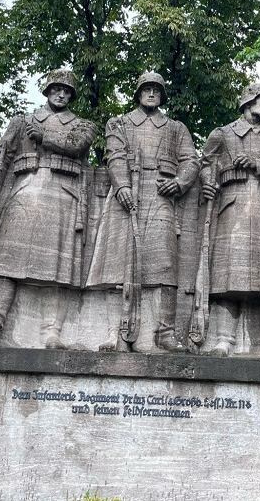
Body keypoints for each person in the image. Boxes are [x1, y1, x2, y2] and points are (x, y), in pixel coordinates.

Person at [0, 70, 96, 347]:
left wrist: (45, 134)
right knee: (4, 263)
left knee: (58, 270)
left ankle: (52, 332)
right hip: (23, 191)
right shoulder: (22, 122)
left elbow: (77, 146)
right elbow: (1, 156)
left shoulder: (83, 125)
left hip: (63, 194)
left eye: (66, 91)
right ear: (47, 91)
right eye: (56, 89)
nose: (61, 94)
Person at [86, 72, 199, 352]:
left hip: (161, 193)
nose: (151, 94)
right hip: (127, 193)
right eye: (146, 89)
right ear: (138, 93)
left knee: (164, 263)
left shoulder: (176, 128)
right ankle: (116, 332)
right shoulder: (120, 123)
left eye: (156, 90)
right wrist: (122, 185)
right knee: (119, 264)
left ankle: (165, 331)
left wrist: (179, 182)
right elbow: (114, 155)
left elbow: (191, 161)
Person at [199, 83, 260, 359]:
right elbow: (205, 163)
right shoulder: (223, 134)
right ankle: (223, 341)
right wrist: (208, 181)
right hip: (233, 208)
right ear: (247, 102)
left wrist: (255, 161)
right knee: (227, 278)